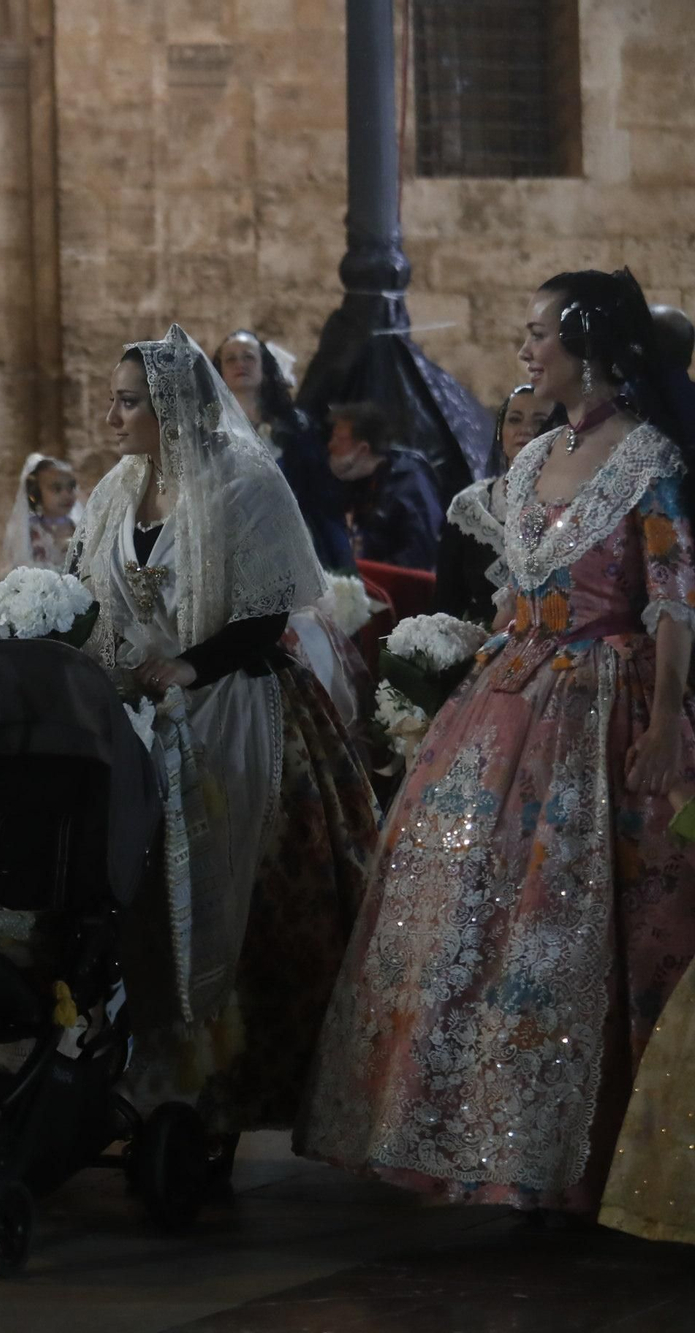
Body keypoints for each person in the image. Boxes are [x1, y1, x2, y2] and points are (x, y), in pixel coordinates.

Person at [297, 268, 695, 1222]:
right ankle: (466, 1133)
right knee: (461, 900)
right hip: (509, 695)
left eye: (539, 333)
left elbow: (675, 596)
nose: (525, 350)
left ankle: (586, 1153)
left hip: (607, 701)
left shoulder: (647, 458)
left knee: (578, 917)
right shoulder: (526, 461)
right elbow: (511, 596)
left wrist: (671, 715)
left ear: (588, 344)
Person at [73, 325, 377, 1149]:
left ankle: (222, 1085)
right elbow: (86, 594)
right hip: (134, 720)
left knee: (234, 893)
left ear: (173, 407)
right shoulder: (113, 491)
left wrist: (189, 667)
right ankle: (146, 1071)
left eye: (128, 401)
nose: (113, 416)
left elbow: (267, 611)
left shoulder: (246, 484)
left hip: (234, 709)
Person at [213, 328, 352, 569]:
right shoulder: (209, 430)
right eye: (231, 359)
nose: (240, 364)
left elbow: (317, 491)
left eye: (248, 357)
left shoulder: (294, 426)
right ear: (221, 372)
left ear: (264, 368)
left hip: (290, 541)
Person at [433, 385, 555, 622]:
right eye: (514, 420)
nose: (525, 430)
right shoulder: (470, 507)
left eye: (540, 421)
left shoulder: (572, 506)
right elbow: (446, 603)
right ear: (500, 432)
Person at [327, 401, 447, 570]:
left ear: (363, 449)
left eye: (338, 439)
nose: (330, 445)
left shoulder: (410, 485)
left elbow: (420, 554)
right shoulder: (359, 479)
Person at [0, 453, 83, 574]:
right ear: (35, 493)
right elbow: (16, 569)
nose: (66, 495)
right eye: (56, 489)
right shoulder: (27, 531)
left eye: (71, 487)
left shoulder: (81, 528)